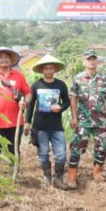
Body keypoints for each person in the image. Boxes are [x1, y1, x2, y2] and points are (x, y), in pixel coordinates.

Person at [67, 50, 106, 188]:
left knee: (102, 145)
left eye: (94, 59)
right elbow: (73, 97)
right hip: (83, 120)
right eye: (88, 59)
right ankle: (71, 175)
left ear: (97, 61)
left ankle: (97, 171)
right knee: (77, 146)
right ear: (84, 62)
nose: (91, 62)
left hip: (101, 120)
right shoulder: (77, 78)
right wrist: (74, 117)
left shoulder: (104, 79)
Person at [24, 54, 70, 189]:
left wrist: (61, 108)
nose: (49, 71)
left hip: (57, 126)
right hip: (40, 126)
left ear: (55, 69)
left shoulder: (61, 85)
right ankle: (47, 177)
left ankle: (59, 178)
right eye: (46, 69)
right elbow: (31, 105)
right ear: (42, 70)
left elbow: (66, 101)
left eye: (51, 68)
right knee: (43, 153)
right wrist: (27, 122)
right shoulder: (36, 85)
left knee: (61, 153)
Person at [0, 47, 31, 169]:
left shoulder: (19, 76)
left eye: (6, 57)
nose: (4, 59)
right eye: (1, 57)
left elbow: (28, 93)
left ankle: (13, 176)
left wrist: (25, 102)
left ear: (10, 60)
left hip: (16, 121)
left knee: (13, 149)